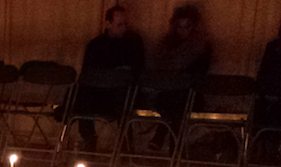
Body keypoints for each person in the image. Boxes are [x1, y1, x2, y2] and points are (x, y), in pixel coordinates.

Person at [76, 6, 144, 152]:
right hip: (99, 95)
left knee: (124, 97)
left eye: (125, 24)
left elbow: (138, 70)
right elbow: (88, 73)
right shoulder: (95, 45)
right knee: (81, 94)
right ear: (108, 24)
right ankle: (89, 137)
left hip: (121, 96)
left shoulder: (133, 44)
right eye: (119, 25)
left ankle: (126, 143)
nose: (123, 28)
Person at [146, 5, 211, 152]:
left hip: (190, 94)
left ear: (194, 27)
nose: (183, 31)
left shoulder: (201, 46)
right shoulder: (165, 44)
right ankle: (173, 150)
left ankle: (161, 136)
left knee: (177, 102)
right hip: (167, 92)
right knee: (172, 101)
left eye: (187, 27)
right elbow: (159, 68)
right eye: (180, 27)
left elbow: (200, 73)